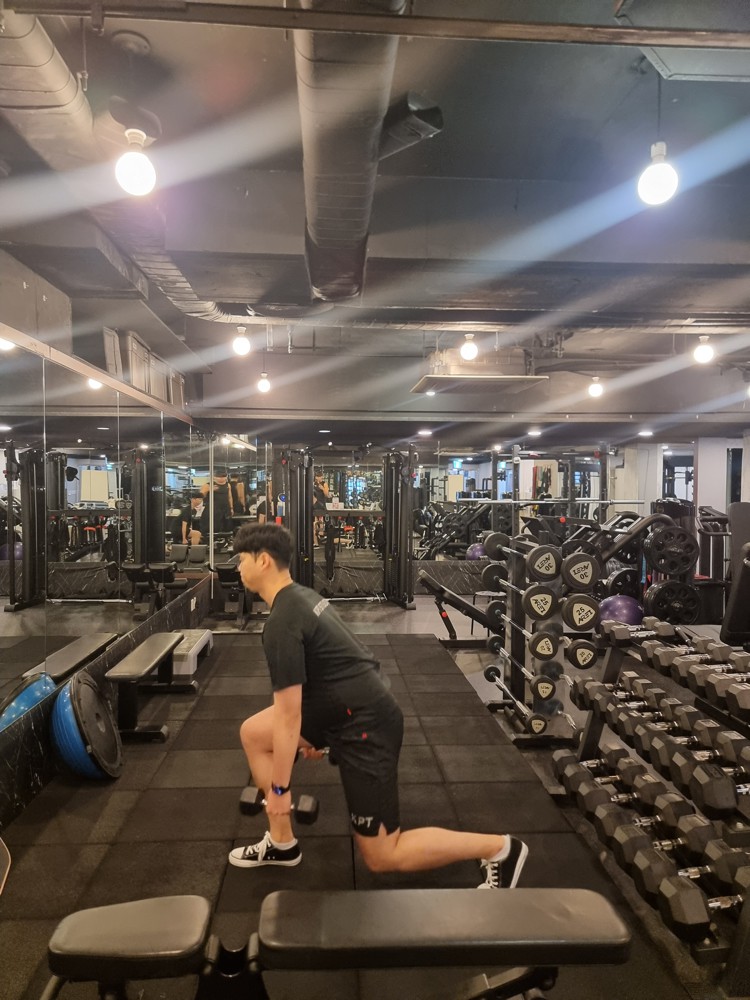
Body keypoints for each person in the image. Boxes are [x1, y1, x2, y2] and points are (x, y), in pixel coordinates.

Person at [228, 523, 528, 889]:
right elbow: (339, 666)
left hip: (366, 725)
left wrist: (278, 791)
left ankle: (500, 849)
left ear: (262, 561)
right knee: (255, 733)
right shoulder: (301, 597)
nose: (238, 567)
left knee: (384, 855)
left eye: (242, 559)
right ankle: (281, 843)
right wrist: (318, 731)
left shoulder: (282, 621)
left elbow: (289, 715)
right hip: (343, 707)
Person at [313, 473, 330, 545]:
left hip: (321, 504)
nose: (320, 478)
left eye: (321, 477)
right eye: (318, 477)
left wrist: (322, 489)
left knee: (321, 520)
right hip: (314, 505)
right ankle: (316, 541)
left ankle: (321, 533)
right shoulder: (313, 484)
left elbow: (327, 495)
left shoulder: (324, 484)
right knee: (315, 522)